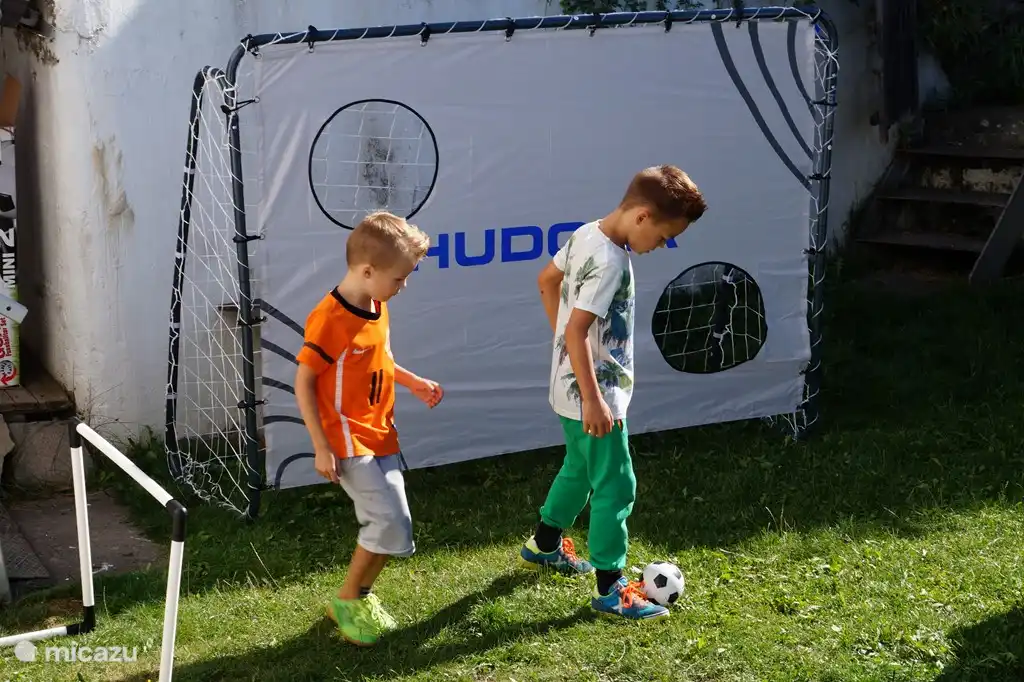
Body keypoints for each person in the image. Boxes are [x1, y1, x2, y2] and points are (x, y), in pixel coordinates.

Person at [519, 165, 707, 620]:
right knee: (616, 486)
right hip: (594, 398)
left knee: (580, 469)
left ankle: (544, 544)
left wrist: (565, 347)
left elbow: (546, 279)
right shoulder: (611, 261)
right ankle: (610, 588)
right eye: (663, 237)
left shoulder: (586, 233)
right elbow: (580, 327)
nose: (659, 247)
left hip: (572, 390)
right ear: (642, 217)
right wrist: (594, 398)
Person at [294, 210, 444, 646]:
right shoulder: (329, 319)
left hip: (382, 433)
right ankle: (347, 598)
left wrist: (413, 383)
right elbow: (303, 380)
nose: (403, 286)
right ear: (366, 270)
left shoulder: (377, 305)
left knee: (397, 526)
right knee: (388, 521)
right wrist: (320, 446)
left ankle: (359, 596)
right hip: (347, 440)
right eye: (399, 278)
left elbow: (381, 360)